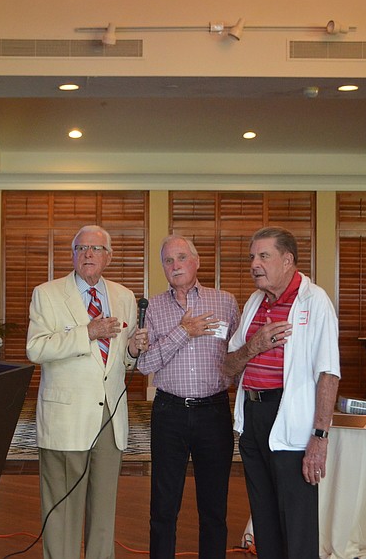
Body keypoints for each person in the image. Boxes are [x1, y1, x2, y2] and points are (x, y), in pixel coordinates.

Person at [26, 225, 146, 558]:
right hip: (65, 417)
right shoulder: (47, 293)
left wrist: (134, 351)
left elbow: (122, 364)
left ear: (109, 256)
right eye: (81, 249)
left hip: (110, 417)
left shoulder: (123, 297)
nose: (88, 254)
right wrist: (87, 332)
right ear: (73, 255)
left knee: (103, 510)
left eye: (95, 249)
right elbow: (35, 349)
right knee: (63, 511)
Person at [222, 226, 339, 559]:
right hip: (254, 418)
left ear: (287, 260)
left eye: (263, 256)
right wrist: (255, 346)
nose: (254, 264)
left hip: (293, 421)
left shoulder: (314, 301)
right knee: (264, 518)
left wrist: (319, 437)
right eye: (252, 257)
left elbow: (329, 373)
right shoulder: (254, 302)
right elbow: (228, 366)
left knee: (297, 523)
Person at [137, 235, 240, 559]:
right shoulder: (152, 307)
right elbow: (144, 365)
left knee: (214, 507)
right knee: (163, 506)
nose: (175, 265)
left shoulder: (224, 302)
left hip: (214, 411)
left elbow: (237, 358)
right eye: (168, 261)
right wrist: (184, 332)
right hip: (169, 412)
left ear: (196, 262)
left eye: (181, 258)